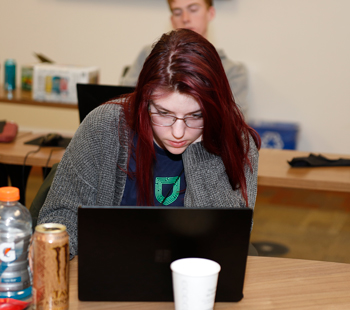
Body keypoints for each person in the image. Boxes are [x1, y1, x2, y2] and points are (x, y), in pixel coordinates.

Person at [38, 29, 260, 258]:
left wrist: (201, 149)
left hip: (194, 277)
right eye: (164, 113)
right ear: (145, 101)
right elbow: (60, 217)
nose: (178, 132)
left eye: (196, 115)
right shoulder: (103, 126)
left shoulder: (236, 141)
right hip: (113, 268)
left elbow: (226, 240)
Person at [120, 0, 249, 117]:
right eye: (177, 12)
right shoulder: (148, 55)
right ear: (172, 20)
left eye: (193, 10)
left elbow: (235, 124)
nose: (185, 18)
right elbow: (123, 103)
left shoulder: (233, 71)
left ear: (210, 13)